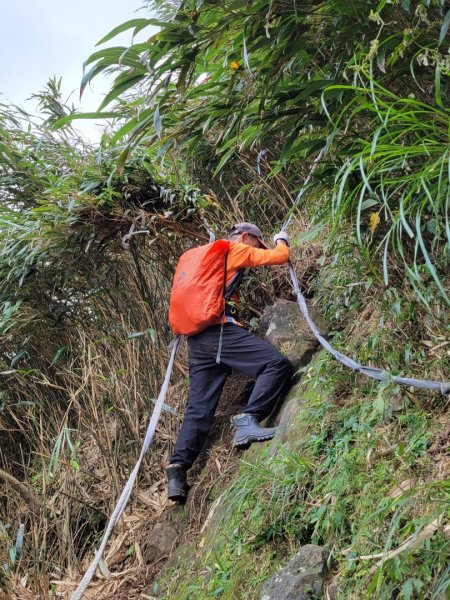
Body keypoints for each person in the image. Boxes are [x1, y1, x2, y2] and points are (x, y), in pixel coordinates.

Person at [166, 223, 293, 501]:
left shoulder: (200, 256)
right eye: (257, 245)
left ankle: (177, 470)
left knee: (199, 408)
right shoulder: (233, 249)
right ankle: (248, 420)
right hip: (218, 332)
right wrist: (281, 240)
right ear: (247, 237)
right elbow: (278, 257)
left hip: (196, 342)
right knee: (275, 364)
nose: (256, 251)